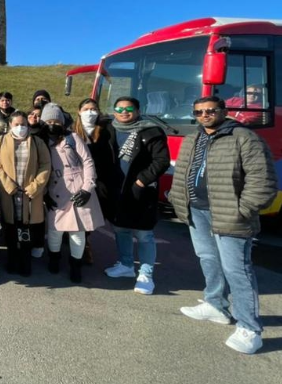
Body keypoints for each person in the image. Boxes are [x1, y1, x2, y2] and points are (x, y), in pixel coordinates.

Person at [170, 96, 277, 355]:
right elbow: (182, 172)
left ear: (223, 111)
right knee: (208, 258)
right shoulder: (192, 138)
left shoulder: (244, 138)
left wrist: (243, 210)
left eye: (210, 110)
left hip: (231, 214)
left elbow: (263, 180)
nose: (204, 115)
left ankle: (250, 328)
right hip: (196, 211)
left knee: (237, 270)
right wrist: (176, 198)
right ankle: (215, 304)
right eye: (198, 112)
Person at [103, 96, 170, 296]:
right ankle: (126, 265)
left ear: (138, 111)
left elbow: (161, 161)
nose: (124, 112)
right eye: (119, 109)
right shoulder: (109, 129)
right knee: (120, 229)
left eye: (129, 108)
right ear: (114, 112)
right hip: (117, 190)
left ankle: (146, 274)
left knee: (144, 234)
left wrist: (142, 180)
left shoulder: (151, 131)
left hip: (141, 190)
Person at [41, 104, 105, 283]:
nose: (52, 125)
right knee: (54, 230)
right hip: (54, 189)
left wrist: (87, 188)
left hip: (78, 188)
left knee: (77, 232)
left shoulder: (73, 138)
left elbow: (88, 162)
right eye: (48, 121)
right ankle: (54, 258)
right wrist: (44, 193)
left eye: (56, 121)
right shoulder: (41, 141)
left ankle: (75, 265)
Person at [0, 111, 51, 276]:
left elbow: (46, 164)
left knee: (26, 230)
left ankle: (25, 262)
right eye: (16, 124)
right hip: (8, 193)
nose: (20, 127)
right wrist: (7, 184)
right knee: (10, 229)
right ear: (10, 125)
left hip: (29, 195)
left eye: (23, 124)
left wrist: (35, 186)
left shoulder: (37, 142)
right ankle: (12, 260)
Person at [72, 98, 119, 265]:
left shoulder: (107, 131)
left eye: (93, 109)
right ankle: (82, 247)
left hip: (101, 181)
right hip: (78, 181)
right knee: (80, 215)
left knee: (95, 216)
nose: (90, 112)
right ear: (79, 112)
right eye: (86, 109)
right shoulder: (72, 131)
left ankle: (85, 242)